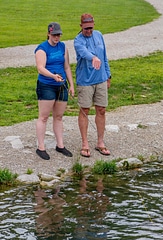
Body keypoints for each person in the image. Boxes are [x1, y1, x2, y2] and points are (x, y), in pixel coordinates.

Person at [34, 22, 75, 160]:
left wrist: (71, 85)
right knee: (44, 116)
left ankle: (60, 145)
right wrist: (52, 76)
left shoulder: (63, 47)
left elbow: (67, 67)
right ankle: (41, 147)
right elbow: (40, 68)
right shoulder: (42, 49)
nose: (57, 37)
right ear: (48, 34)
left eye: (58, 35)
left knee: (58, 116)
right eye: (54, 35)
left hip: (61, 85)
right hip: (47, 85)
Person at [74, 13, 111, 158]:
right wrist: (93, 57)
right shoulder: (78, 40)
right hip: (85, 81)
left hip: (100, 78)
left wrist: (108, 75)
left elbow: (104, 57)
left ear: (94, 25)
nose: (89, 31)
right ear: (81, 26)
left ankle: (100, 142)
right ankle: (85, 143)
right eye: (86, 28)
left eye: (90, 28)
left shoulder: (99, 35)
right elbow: (84, 52)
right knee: (85, 110)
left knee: (101, 109)